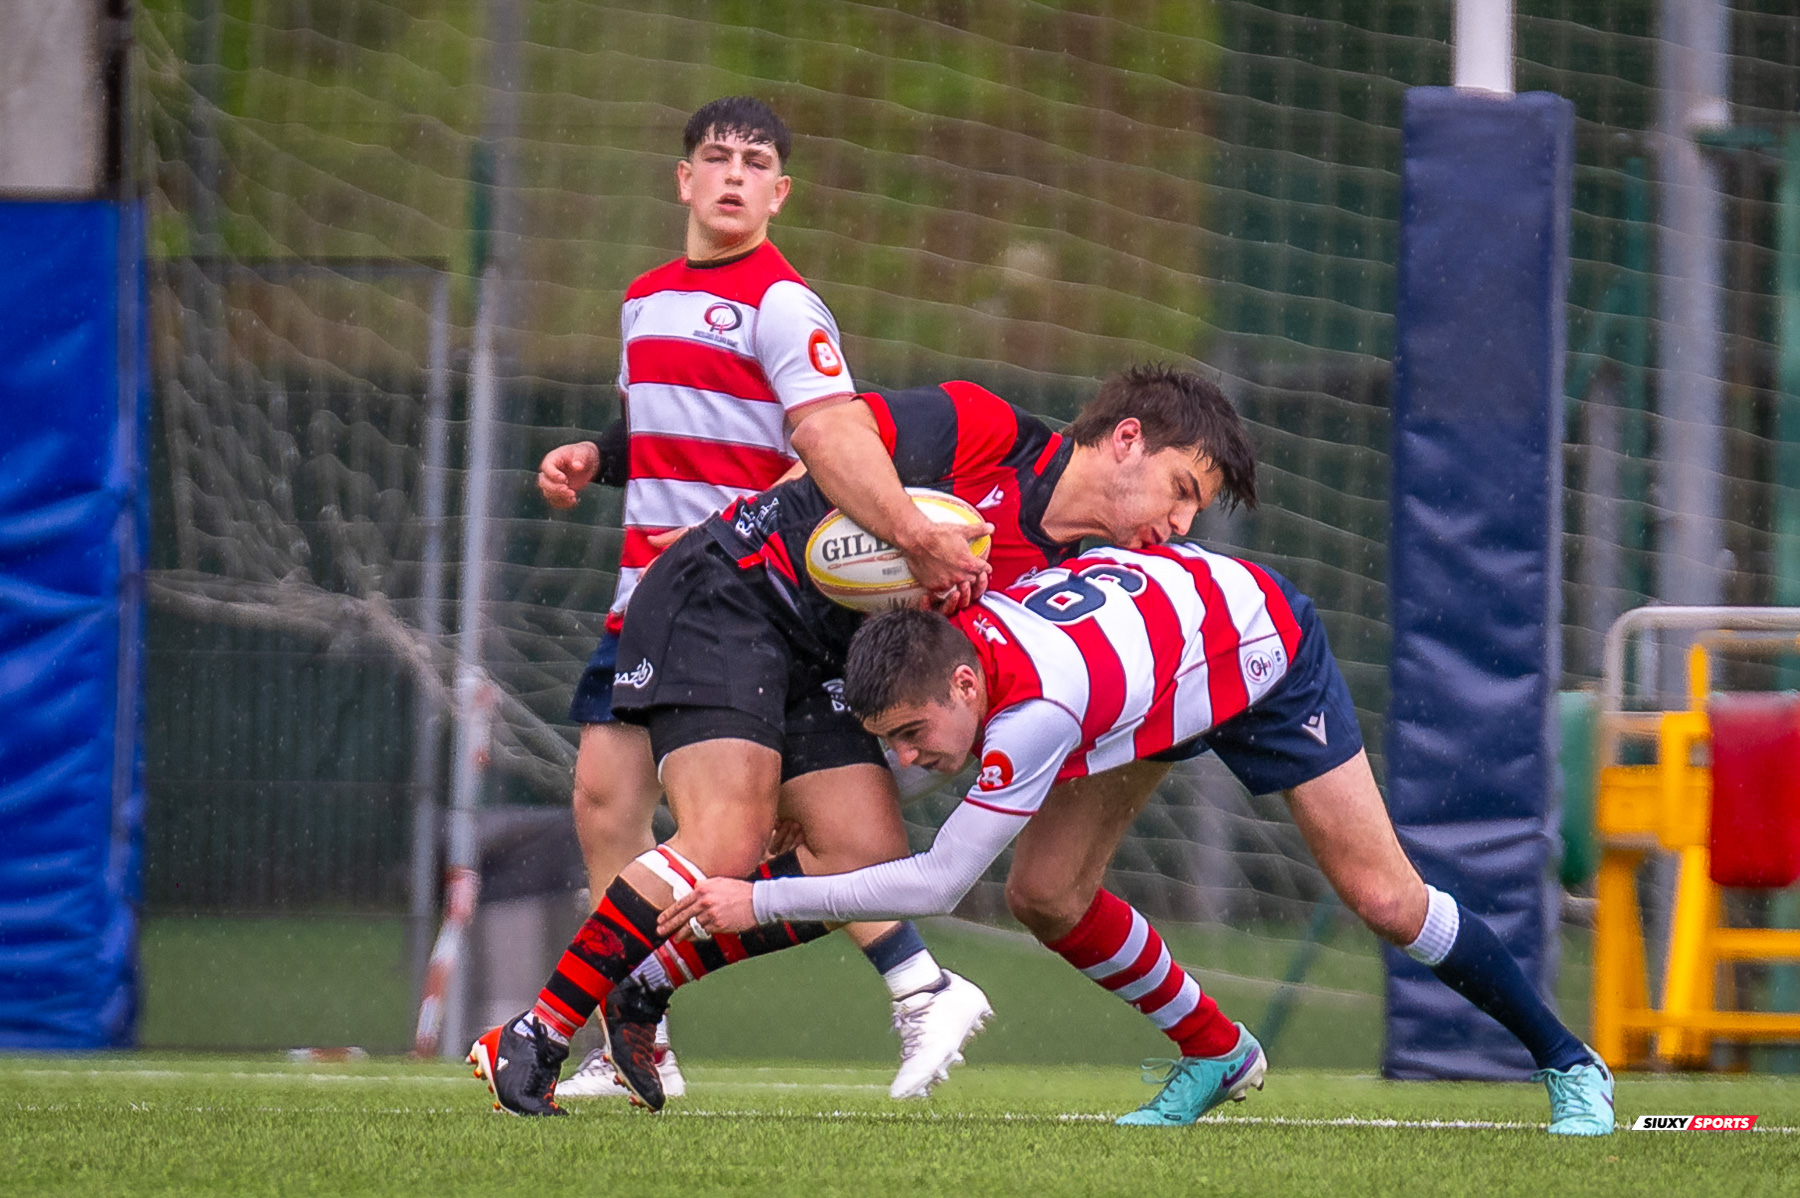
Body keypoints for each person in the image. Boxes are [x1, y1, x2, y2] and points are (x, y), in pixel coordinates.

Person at [477, 366, 1258, 1117]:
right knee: (725, 837)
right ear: (1126, 440)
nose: (1183, 524)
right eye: (1183, 491)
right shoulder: (991, 433)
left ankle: (644, 989)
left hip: (823, 662)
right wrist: (913, 532)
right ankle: (535, 1034)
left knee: (864, 848)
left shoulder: (1077, 574)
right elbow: (828, 432)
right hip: (734, 590)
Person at [664, 546, 1618, 1136]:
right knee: (1047, 895)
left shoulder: (1031, 712)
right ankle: (1217, 1053)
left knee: (1386, 902)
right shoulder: (967, 666)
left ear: (963, 688)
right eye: (893, 746)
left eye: (913, 737)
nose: (912, 759)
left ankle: (1571, 1064)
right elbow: (944, 767)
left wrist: (762, 897)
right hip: (1148, 685)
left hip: (1255, 652)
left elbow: (942, 880)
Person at [523, 94, 987, 1102]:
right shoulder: (642, 300)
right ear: (683, 178)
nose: (733, 174)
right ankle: (633, 1030)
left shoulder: (785, 305)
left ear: (780, 192)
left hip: (747, 599)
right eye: (715, 157)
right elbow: (656, 425)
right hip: (648, 597)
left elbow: (836, 437)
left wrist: (909, 535)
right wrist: (593, 454)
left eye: (755, 162)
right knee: (604, 806)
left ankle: (918, 982)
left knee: (800, 821)